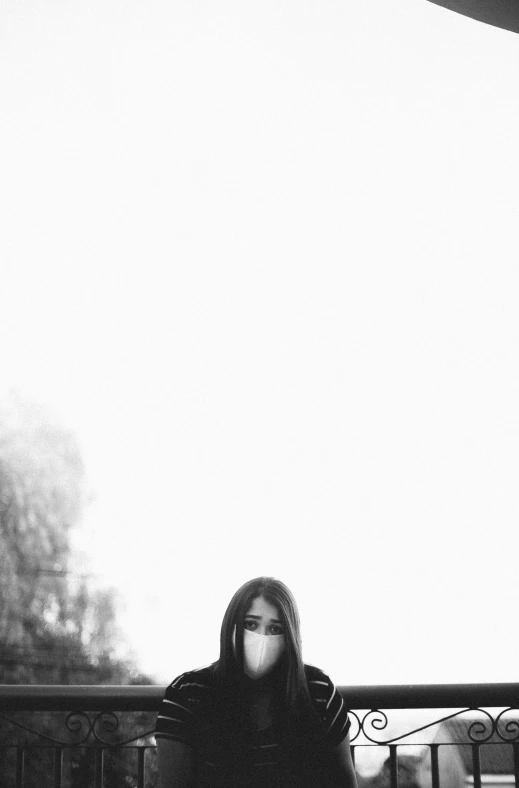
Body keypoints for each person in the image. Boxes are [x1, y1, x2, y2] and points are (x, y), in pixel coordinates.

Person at [155, 576, 358, 788]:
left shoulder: (319, 692)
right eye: (250, 624)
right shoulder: (187, 694)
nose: (261, 639)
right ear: (231, 625)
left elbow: (344, 782)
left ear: (290, 637)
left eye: (275, 629)